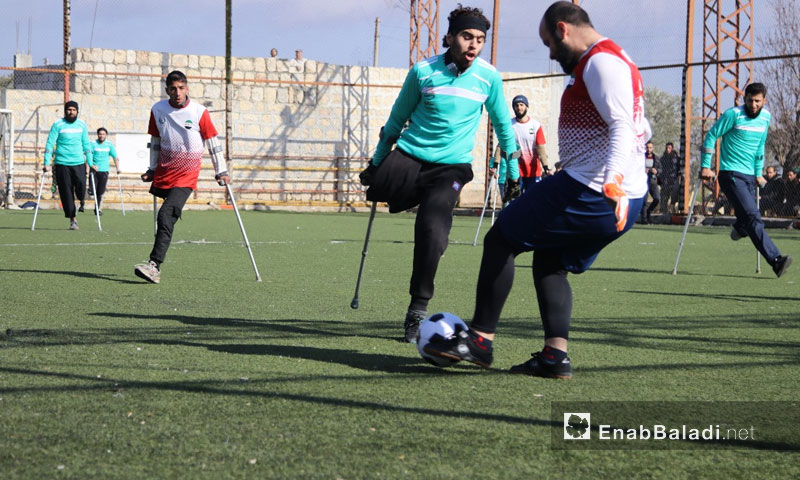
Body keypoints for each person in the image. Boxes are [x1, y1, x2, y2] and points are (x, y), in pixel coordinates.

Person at [423, 1, 649, 379]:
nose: (549, 52)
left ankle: (479, 340)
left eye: (548, 42)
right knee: (550, 262)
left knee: (501, 238)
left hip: (594, 189)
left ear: (563, 30)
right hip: (615, 193)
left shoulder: (600, 62)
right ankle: (554, 357)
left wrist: (612, 180)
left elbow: (624, 127)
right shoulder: (613, 57)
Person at [360, 4, 519, 342]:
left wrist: (513, 171)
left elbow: (504, 126)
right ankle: (398, 188)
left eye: (480, 39)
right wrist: (375, 163)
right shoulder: (422, 72)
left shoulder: (488, 78)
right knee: (376, 185)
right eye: (466, 37)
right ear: (450, 37)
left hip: (452, 167)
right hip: (410, 155)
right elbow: (395, 120)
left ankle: (417, 309)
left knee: (432, 230)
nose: (474, 44)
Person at [134, 70, 229, 284]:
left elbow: (213, 143)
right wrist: (151, 168)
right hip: (166, 172)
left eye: (181, 88)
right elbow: (155, 141)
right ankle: (154, 265)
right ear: (167, 90)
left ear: (187, 88)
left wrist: (220, 170)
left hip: (187, 174)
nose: (178, 92)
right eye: (173, 89)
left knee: (166, 215)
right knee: (166, 218)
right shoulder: (158, 110)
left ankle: (154, 266)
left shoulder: (199, 112)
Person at [700, 82, 792, 277]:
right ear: (745, 99)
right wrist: (705, 167)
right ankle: (776, 261)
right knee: (753, 216)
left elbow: (760, 146)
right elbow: (711, 136)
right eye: (750, 100)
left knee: (748, 217)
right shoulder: (733, 115)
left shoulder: (766, 118)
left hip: (750, 176)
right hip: (730, 173)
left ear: (764, 101)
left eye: (757, 101)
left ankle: (740, 227)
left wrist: (758, 173)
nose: (753, 104)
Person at [42, 101, 93, 230]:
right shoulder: (58, 124)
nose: (71, 112)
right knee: (66, 192)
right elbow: (50, 144)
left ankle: (81, 200)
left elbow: (86, 145)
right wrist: (47, 162)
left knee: (81, 186)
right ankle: (73, 219)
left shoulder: (81, 125)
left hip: (79, 163)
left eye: (74, 110)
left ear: (77, 111)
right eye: (69, 110)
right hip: (62, 163)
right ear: (65, 111)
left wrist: (91, 163)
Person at [509, 94, 549, 191]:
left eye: (522, 104)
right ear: (514, 108)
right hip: (515, 172)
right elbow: (503, 146)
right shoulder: (509, 125)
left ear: (527, 106)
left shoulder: (536, 125)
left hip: (533, 172)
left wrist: (546, 167)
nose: (519, 108)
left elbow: (540, 148)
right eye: (516, 105)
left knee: (533, 203)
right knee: (515, 202)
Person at [88, 127, 119, 215]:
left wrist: (118, 168)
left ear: (106, 135)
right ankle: (84, 201)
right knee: (92, 191)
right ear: (97, 135)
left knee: (100, 192)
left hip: (104, 171)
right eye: (100, 134)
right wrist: (90, 166)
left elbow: (115, 157)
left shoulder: (109, 145)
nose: (101, 136)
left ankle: (98, 209)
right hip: (94, 170)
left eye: (103, 134)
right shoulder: (93, 144)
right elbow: (88, 155)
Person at [640, 140, 661, 224]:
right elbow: (635, 167)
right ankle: (644, 220)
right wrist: (642, 170)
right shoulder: (641, 158)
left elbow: (660, 169)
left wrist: (657, 171)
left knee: (657, 199)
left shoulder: (656, 158)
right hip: (643, 181)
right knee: (644, 201)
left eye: (650, 147)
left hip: (653, 181)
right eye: (647, 147)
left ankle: (649, 211)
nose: (649, 149)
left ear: (653, 148)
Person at [659, 142, 681, 213]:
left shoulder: (676, 158)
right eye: (667, 148)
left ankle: (672, 208)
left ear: (672, 149)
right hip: (665, 180)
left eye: (669, 148)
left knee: (674, 195)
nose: (668, 150)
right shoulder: (663, 158)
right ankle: (663, 210)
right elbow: (661, 169)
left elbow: (678, 168)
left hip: (674, 180)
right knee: (664, 196)